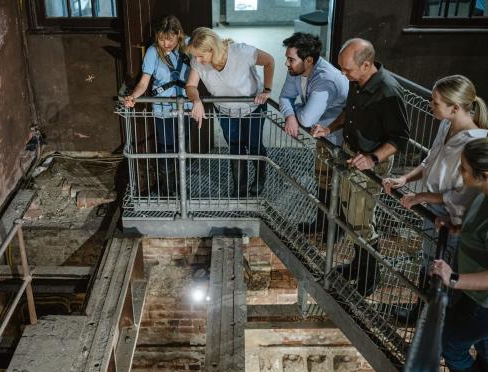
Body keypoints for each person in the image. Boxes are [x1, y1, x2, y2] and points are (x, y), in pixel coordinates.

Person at [382, 75, 488, 321]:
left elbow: (462, 195)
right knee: (429, 259)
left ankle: (440, 322)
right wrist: (406, 179)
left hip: (454, 219)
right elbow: (429, 160)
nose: (431, 105)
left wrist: (421, 196)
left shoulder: (475, 144)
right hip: (434, 209)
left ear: (455, 107)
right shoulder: (446, 124)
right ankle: (421, 312)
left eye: (435, 102)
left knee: (445, 266)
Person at [312, 38, 410, 297]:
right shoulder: (357, 81)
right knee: (350, 213)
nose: (344, 75)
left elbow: (400, 139)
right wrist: (330, 128)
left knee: (362, 222)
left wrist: (373, 159)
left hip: (369, 166)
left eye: (348, 70)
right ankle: (358, 265)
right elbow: (349, 111)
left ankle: (369, 274)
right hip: (350, 156)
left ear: (366, 65)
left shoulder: (389, 92)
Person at [431, 137, 488, 372]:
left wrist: (453, 278)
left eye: (463, 168)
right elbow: (481, 230)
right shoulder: (485, 194)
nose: (459, 173)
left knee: (450, 344)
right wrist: (456, 228)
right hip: (482, 299)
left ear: (484, 174)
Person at [185, 27, 275, 198]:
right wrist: (196, 100)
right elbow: (191, 86)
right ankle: (239, 189)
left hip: (252, 108)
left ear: (213, 49)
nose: (197, 60)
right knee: (235, 147)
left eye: (200, 56)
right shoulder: (198, 61)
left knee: (254, 145)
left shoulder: (242, 52)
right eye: (195, 56)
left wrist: (267, 90)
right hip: (225, 111)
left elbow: (269, 61)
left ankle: (260, 176)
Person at [278, 32, 348, 238]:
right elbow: (284, 97)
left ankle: (336, 231)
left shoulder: (325, 79)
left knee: (338, 185)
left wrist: (296, 109)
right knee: (323, 180)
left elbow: (307, 120)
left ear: (309, 60)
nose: (286, 64)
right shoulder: (296, 70)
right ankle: (321, 224)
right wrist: (291, 115)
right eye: (287, 58)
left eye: (291, 59)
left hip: (340, 139)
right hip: (323, 136)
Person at [124, 15, 190, 197]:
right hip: (163, 109)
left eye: (169, 39)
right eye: (161, 38)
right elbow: (144, 82)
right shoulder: (153, 52)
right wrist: (134, 96)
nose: (165, 43)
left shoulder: (189, 46)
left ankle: (181, 187)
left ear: (178, 34)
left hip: (186, 108)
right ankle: (167, 190)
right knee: (167, 148)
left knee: (183, 148)